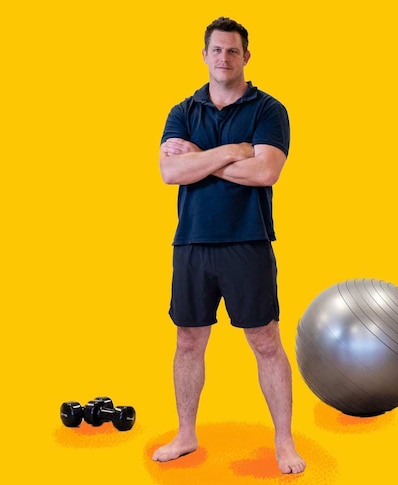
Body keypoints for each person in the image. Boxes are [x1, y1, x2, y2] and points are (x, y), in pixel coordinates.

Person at [152, 16, 305, 474]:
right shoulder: (182, 111)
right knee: (187, 341)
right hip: (192, 243)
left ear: (246, 56)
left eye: (233, 51)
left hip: (248, 241)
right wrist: (232, 151)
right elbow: (168, 173)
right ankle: (185, 434)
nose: (224, 58)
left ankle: (284, 442)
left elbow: (265, 172)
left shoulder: (268, 110)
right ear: (204, 55)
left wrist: (198, 158)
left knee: (266, 341)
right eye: (216, 50)